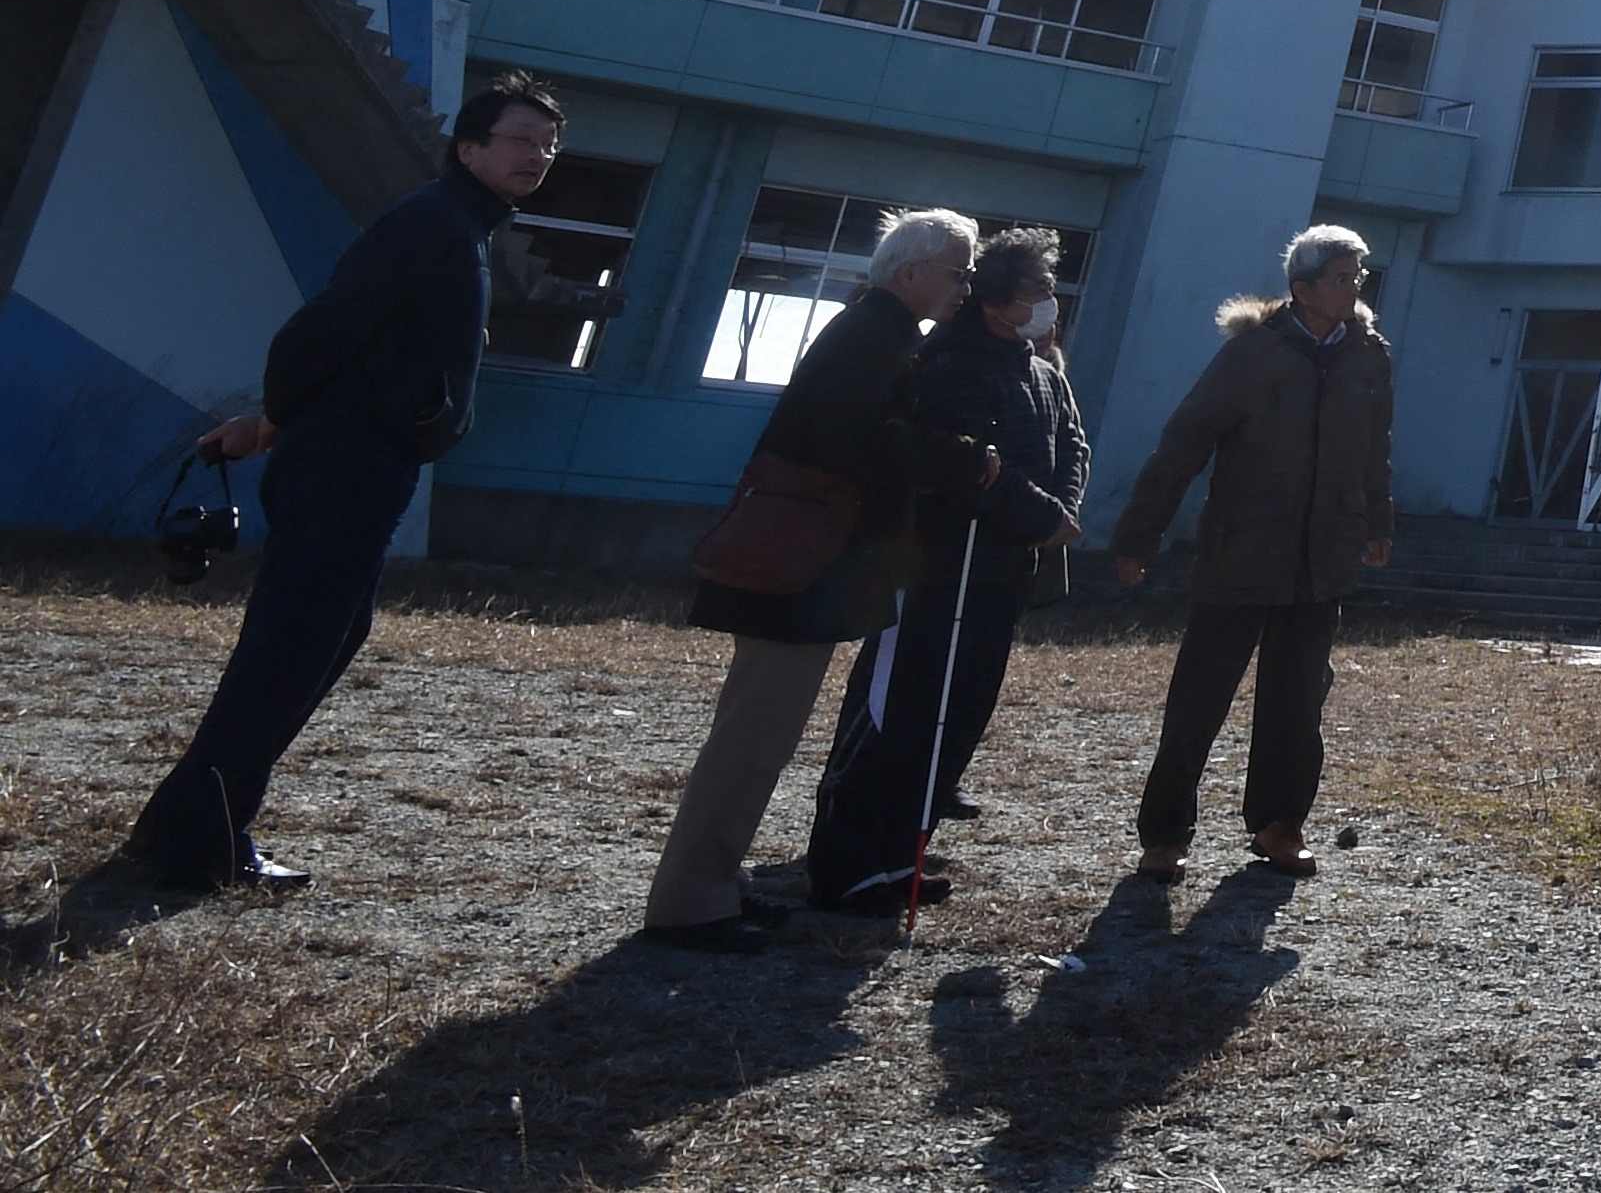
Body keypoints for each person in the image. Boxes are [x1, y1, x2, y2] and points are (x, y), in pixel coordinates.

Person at [131, 74, 568, 890]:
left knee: (321, 639)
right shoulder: (433, 222)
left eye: (548, 144)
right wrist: (281, 414)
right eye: (519, 137)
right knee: (292, 649)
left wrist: (267, 424)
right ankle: (197, 845)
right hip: (348, 465)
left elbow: (366, 350)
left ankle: (180, 827)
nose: (537, 154)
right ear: (469, 147)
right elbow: (323, 327)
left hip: (363, 460)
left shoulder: (458, 227)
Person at [635, 207, 988, 953]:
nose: (965, 285)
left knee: (760, 733)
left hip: (801, 562)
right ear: (909, 271)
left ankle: (714, 881)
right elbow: (856, 440)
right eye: (959, 270)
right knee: (752, 739)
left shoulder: (876, 330)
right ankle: (689, 899)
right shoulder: (872, 336)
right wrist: (956, 457)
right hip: (795, 566)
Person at [799, 230, 1084, 912]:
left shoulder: (1040, 368)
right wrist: (1039, 514)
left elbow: (1071, 441)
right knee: (899, 710)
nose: (1048, 302)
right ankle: (847, 862)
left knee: (956, 717)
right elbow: (967, 466)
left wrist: (1061, 511)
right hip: (939, 569)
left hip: (1001, 572)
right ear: (995, 296)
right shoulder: (953, 361)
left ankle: (902, 853)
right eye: (1035, 289)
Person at [1109, 222, 1395, 880]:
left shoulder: (1368, 354)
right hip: (1241, 551)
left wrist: (1375, 521)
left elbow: (1376, 447)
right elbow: (1183, 441)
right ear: (1303, 286)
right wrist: (1137, 534)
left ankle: (1278, 825)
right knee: (1198, 701)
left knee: (1297, 704)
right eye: (1343, 275)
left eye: (1359, 275)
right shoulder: (1252, 355)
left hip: (1322, 559)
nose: (1355, 286)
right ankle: (1164, 834)